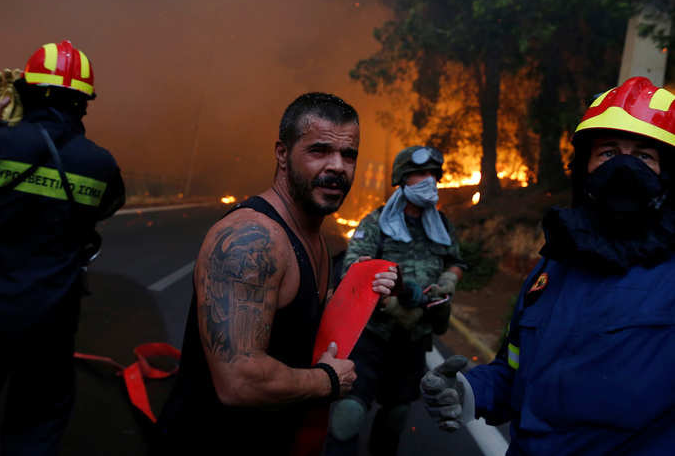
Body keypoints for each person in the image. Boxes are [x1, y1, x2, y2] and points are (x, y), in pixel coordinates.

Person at [421, 76, 675, 456]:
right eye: (608, 153)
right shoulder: (550, 270)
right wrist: (470, 390)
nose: (623, 168)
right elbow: (515, 371)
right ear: (584, 169)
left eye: (643, 156)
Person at [155, 92, 397, 455]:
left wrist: (359, 299)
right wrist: (328, 380)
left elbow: (293, 321)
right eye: (319, 151)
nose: (338, 167)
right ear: (282, 154)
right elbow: (239, 380)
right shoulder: (251, 239)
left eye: (349, 155)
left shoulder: (313, 236)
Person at [0, 40, 125, 455]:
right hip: (50, 318)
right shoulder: (100, 163)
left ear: (25, 90)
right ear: (83, 102)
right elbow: (108, 205)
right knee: (35, 424)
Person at [325, 145, 466, 456]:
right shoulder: (377, 222)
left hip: (413, 340)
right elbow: (353, 272)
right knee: (348, 415)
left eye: (433, 174)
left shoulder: (441, 225)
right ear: (402, 179)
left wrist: (449, 280)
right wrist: (391, 304)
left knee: (397, 416)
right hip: (372, 336)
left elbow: (456, 260)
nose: (429, 180)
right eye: (420, 174)